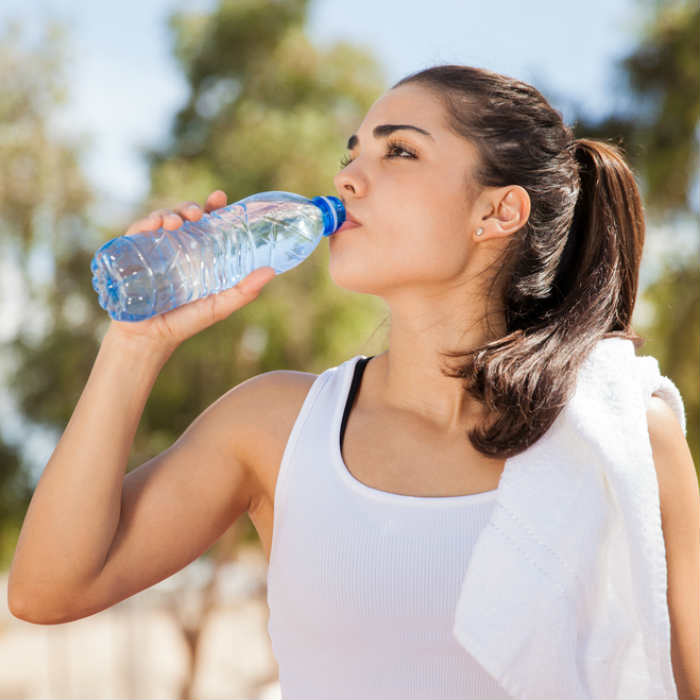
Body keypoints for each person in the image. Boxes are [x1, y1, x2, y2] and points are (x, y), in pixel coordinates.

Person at [7, 64, 699, 700]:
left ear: (497, 212)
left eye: (398, 151)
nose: (348, 177)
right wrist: (136, 344)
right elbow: (47, 590)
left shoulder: (621, 445)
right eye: (352, 151)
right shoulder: (275, 427)